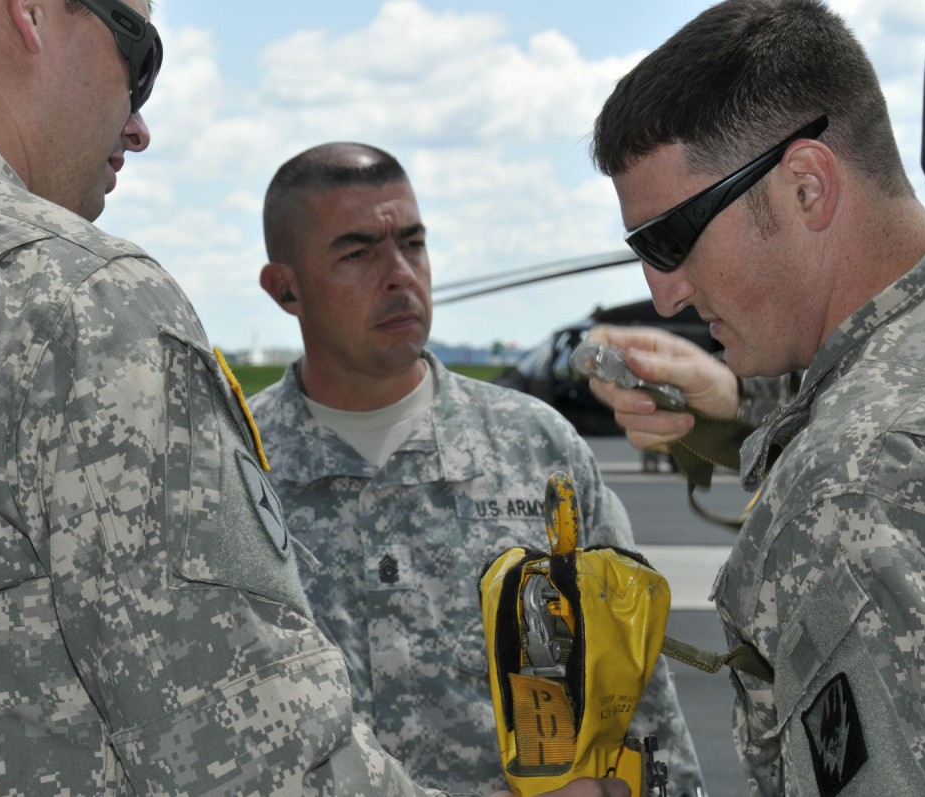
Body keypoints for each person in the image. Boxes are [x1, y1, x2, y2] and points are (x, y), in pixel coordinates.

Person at [0, 2, 627, 796]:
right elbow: (255, 756)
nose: (139, 125)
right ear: (32, 13)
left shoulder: (539, 445)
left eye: (412, 242)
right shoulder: (76, 301)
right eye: (138, 54)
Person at [586, 0, 925, 794]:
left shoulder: (857, 483)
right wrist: (736, 408)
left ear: (806, 187)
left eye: (670, 238)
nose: (665, 295)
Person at [249, 142, 705, 796]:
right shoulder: (238, 468)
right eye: (357, 252)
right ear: (284, 287)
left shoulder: (537, 448)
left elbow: (638, 690)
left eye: (413, 243)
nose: (399, 273)